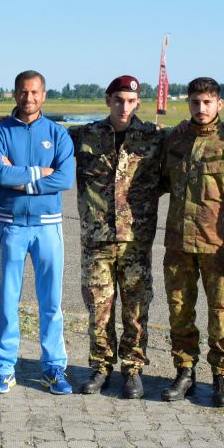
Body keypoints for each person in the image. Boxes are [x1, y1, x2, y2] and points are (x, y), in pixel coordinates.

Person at [159, 76, 224, 407]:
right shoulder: (176, 140)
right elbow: (157, 181)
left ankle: (223, 376)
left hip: (218, 248)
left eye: (207, 102)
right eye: (195, 102)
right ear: (188, 103)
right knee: (179, 312)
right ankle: (184, 371)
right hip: (178, 246)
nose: (201, 109)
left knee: (221, 316)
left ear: (219, 104)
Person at [69, 75, 163, 399]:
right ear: (108, 100)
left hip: (136, 240)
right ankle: (100, 367)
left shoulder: (152, 138)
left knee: (136, 309)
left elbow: (167, 178)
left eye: (131, 101)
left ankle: (133, 370)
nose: (124, 107)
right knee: (99, 308)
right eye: (119, 100)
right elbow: (46, 141)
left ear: (138, 103)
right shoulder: (85, 135)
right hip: (96, 239)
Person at [0, 70, 74, 395]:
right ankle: (4, 367)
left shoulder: (57, 133)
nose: (29, 98)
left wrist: (25, 179)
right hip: (11, 226)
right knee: (8, 300)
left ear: (44, 95)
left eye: (35, 92)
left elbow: (64, 179)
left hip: (48, 227)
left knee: (51, 302)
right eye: (23, 92)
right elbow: (3, 175)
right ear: (15, 94)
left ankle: (53, 367)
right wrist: (40, 173)